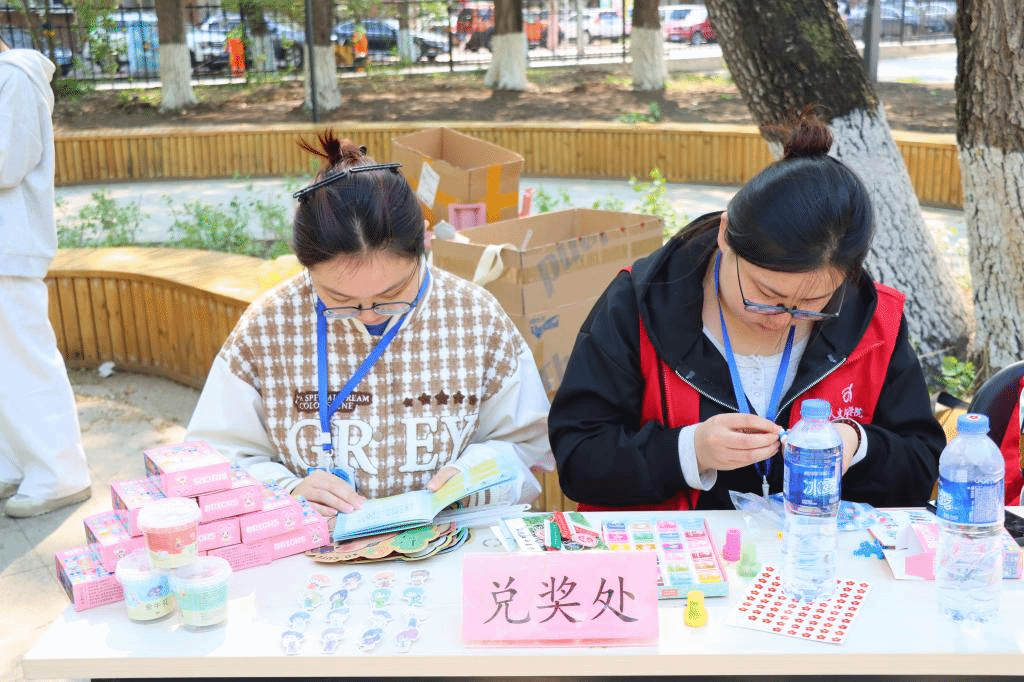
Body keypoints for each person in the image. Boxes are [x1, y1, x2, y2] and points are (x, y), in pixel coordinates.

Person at [548, 112, 945, 511]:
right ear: (725, 236)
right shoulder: (641, 303)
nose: (782, 318)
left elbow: (921, 466)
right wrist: (691, 451)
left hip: (813, 543)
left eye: (812, 304)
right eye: (766, 293)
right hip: (670, 546)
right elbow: (579, 459)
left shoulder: (874, 321)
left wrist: (857, 445)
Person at [186, 132, 554, 515]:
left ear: (422, 246)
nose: (369, 314)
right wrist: (284, 491)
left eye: (392, 293)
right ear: (306, 267)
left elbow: (527, 446)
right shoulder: (269, 326)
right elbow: (214, 458)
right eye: (340, 299)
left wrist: (478, 473)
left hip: (451, 538)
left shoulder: (475, 317)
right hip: (316, 544)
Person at [0, 34, 92, 517]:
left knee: (27, 364)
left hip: (9, 250)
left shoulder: (14, 75)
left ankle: (60, 475)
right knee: (6, 368)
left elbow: (6, 162)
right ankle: (16, 464)